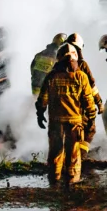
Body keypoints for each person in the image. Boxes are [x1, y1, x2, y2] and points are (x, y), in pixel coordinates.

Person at [36, 43, 97, 187]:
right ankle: (72, 181)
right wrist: (92, 118)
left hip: (56, 121)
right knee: (74, 153)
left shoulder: (52, 76)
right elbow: (89, 100)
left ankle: (54, 180)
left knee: (56, 152)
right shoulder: (81, 77)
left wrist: (40, 113)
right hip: (75, 122)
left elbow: (43, 98)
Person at [65, 33, 104, 156]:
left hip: (63, 106)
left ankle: (68, 155)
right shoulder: (82, 65)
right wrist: (99, 102)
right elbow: (92, 87)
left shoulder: (58, 66)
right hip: (79, 105)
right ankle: (81, 156)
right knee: (89, 130)